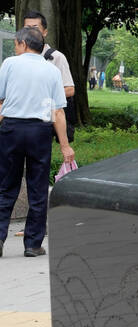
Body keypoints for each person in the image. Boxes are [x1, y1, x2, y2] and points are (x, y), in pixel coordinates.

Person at [0, 26, 75, 257]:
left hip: (11, 129)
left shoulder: (9, 64)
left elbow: (1, 101)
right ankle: (32, 244)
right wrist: (65, 146)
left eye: (16, 44)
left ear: (23, 44)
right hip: (39, 132)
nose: (15, 47)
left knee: (5, 186)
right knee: (38, 187)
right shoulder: (51, 70)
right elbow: (58, 113)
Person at [22, 11, 76, 143]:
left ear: (45, 32)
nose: (30, 32)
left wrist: (39, 95)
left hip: (43, 119)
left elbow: (69, 90)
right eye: (26, 29)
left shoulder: (56, 57)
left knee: (39, 156)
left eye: (35, 28)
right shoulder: (17, 58)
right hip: (20, 119)